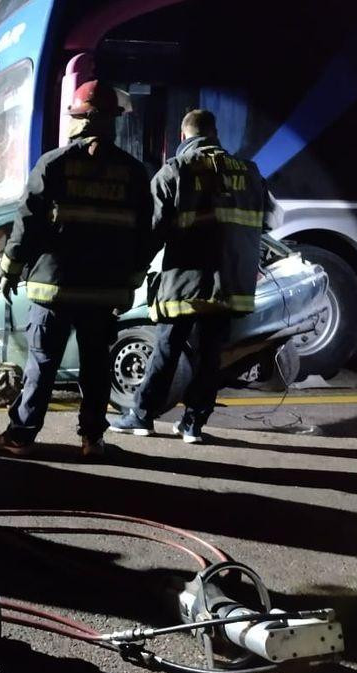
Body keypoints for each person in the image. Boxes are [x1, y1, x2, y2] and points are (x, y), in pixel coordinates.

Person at [0, 80, 153, 457]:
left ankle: (21, 437)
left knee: (42, 365)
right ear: (113, 122)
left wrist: (11, 270)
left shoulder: (54, 164)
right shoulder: (133, 173)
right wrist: (131, 281)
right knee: (95, 367)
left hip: (54, 288)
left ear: (79, 120)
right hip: (103, 291)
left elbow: (27, 222)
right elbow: (144, 234)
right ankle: (92, 439)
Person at [111, 109, 276, 443]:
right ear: (215, 134)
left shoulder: (176, 171)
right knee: (210, 355)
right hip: (229, 284)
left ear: (183, 137)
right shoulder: (250, 172)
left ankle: (141, 415)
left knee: (167, 348)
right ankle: (193, 424)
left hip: (185, 281)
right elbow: (264, 224)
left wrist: (128, 281)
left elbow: (150, 234)